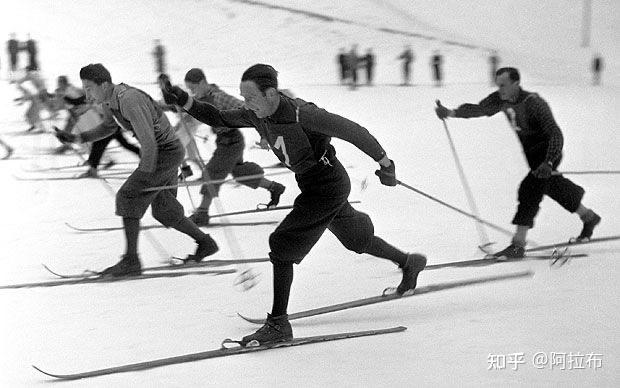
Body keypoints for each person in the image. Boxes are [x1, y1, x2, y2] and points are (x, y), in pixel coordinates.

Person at [161, 63, 427, 346]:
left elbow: (353, 131)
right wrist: (183, 99)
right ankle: (409, 262)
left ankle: (278, 324)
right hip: (315, 185)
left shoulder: (303, 114)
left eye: (250, 97)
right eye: (244, 97)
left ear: (272, 93)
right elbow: (218, 117)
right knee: (357, 240)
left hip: (327, 186)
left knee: (282, 244)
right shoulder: (257, 114)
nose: (246, 104)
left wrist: (386, 164)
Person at [55, 63, 218, 276]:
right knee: (163, 208)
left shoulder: (129, 100)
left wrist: (145, 172)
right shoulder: (110, 101)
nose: (86, 93)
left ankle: (131, 261)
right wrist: (77, 138)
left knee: (127, 196)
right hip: (165, 153)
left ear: (104, 85)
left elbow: (149, 142)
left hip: (165, 153)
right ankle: (206, 243)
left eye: (89, 88)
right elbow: (108, 127)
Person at [435, 67, 601, 259]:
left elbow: (555, 134)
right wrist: (450, 112)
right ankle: (589, 217)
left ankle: (517, 245)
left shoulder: (534, 103)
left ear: (516, 83)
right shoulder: (500, 99)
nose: (500, 89)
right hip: (532, 156)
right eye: (498, 85)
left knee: (529, 189)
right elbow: (479, 109)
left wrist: (548, 162)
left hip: (548, 154)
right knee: (551, 185)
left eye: (504, 85)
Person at [182, 68, 286, 225]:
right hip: (226, 141)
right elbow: (191, 108)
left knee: (212, 172)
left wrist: (264, 134)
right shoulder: (203, 97)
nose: (192, 92)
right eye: (189, 89)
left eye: (193, 88)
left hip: (230, 142)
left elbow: (250, 112)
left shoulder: (220, 98)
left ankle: (202, 212)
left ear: (203, 82)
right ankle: (273, 187)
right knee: (239, 172)